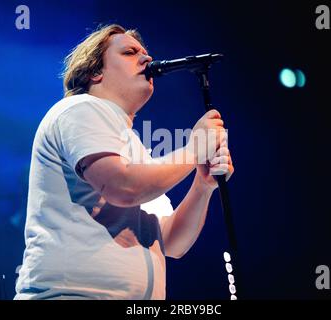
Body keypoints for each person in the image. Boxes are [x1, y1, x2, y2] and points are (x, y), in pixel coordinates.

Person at [14, 24, 234, 300]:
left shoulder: (135, 148)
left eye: (145, 53)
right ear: (95, 71)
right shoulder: (79, 109)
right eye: (130, 52)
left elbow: (173, 241)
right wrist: (194, 150)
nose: (146, 59)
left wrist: (202, 186)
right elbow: (123, 187)